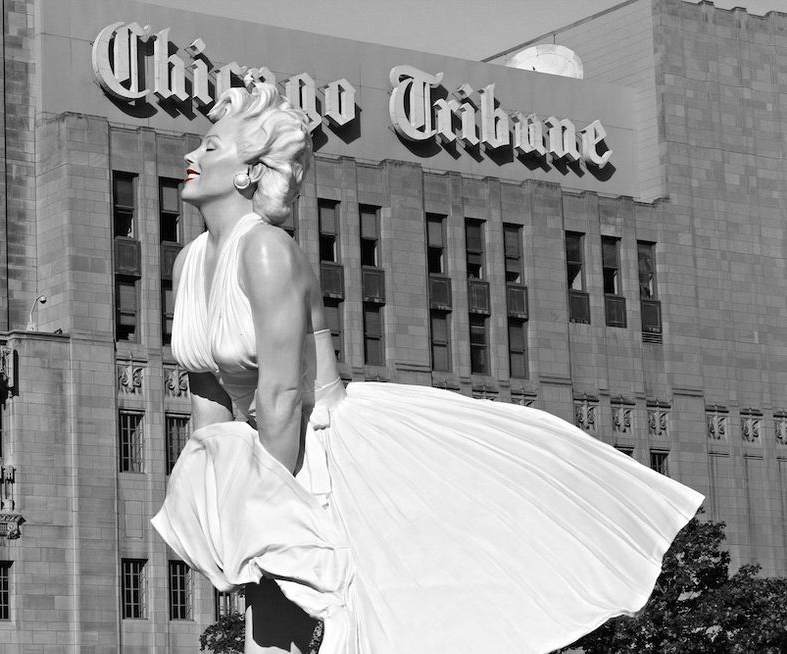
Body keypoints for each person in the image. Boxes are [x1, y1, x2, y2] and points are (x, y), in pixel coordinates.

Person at [151, 78, 704, 654]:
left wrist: (262, 503)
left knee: (339, 617)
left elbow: (283, 395)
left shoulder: (266, 249)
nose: (191, 155)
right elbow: (209, 399)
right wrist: (215, 498)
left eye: (210, 146)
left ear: (249, 171)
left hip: (316, 448)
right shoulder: (191, 262)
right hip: (269, 451)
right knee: (267, 623)